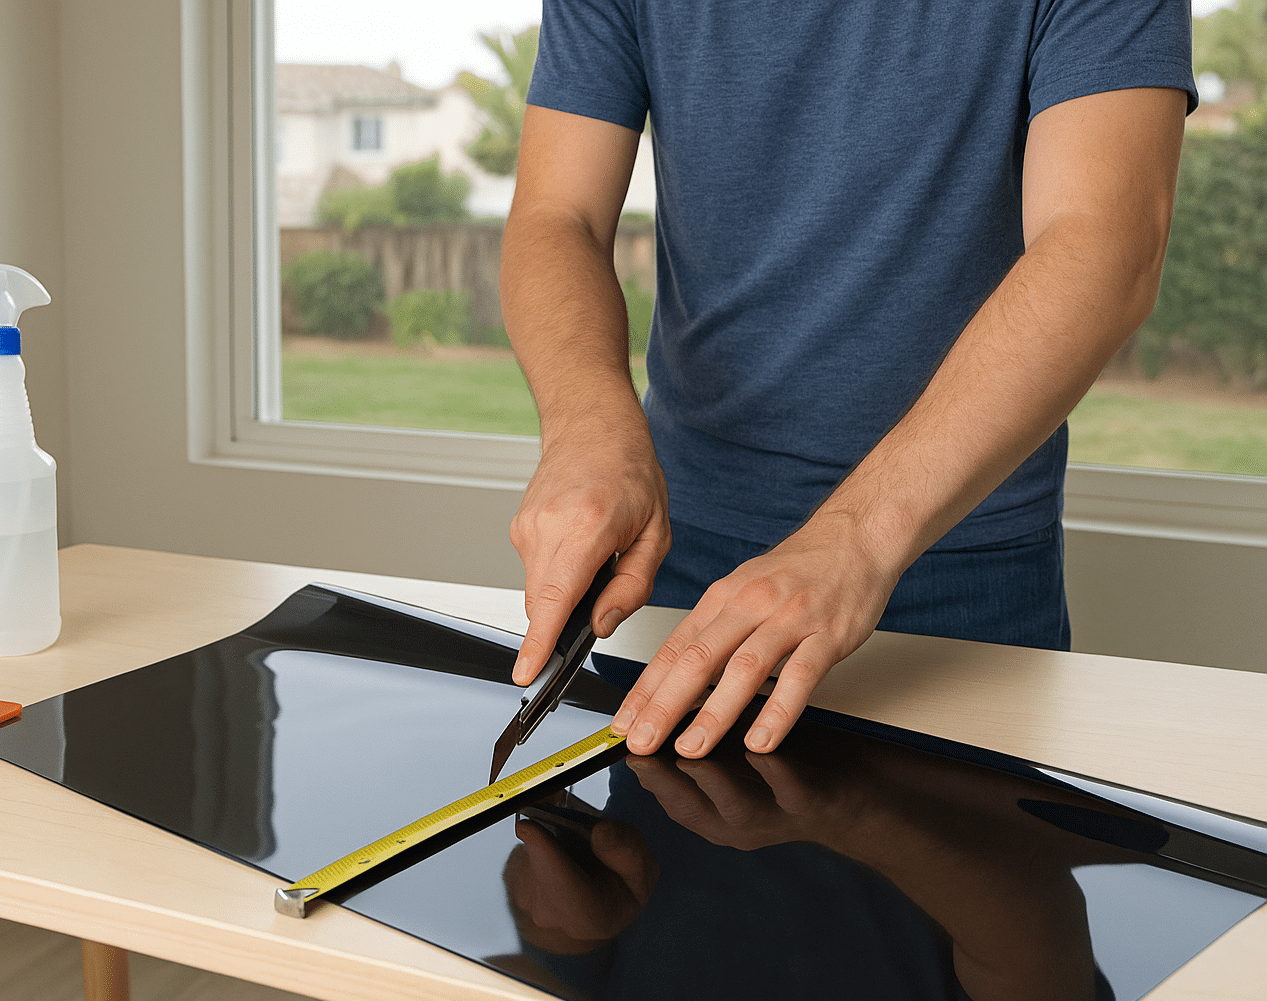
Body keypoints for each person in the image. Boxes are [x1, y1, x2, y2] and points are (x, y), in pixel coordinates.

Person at [501, 0, 1197, 758]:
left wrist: (859, 538)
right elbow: (556, 213)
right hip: (679, 559)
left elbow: (1106, 239)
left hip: (962, 570)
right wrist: (586, 429)